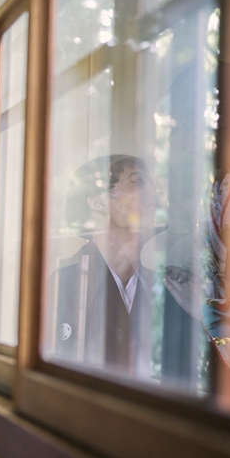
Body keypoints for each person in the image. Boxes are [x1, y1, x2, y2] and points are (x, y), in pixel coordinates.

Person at [47, 155, 158, 376]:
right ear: (99, 202)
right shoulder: (64, 284)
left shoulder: (162, 286)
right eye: (139, 182)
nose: (154, 196)